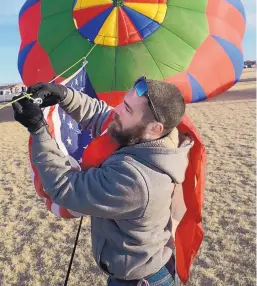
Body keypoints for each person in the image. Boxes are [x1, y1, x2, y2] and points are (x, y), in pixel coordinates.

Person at [12, 76, 193, 286]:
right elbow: (102, 116)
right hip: (142, 270)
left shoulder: (136, 180)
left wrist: (38, 130)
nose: (117, 109)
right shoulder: (146, 137)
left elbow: (64, 186)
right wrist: (63, 95)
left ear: (155, 129)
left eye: (127, 109)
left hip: (139, 280)